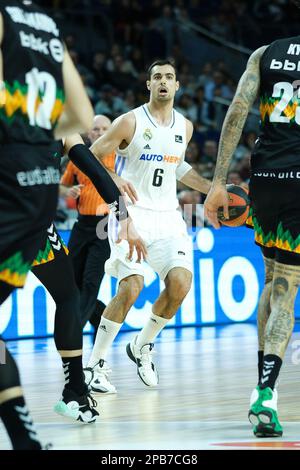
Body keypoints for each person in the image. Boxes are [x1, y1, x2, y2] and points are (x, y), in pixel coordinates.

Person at [83, 59, 212, 393]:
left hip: (169, 217)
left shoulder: (185, 126)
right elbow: (92, 154)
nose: (163, 82)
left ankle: (141, 346)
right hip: (132, 215)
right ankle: (94, 364)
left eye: (169, 76)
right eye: (157, 77)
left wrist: (211, 189)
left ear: (177, 85)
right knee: (132, 287)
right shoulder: (130, 121)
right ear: (149, 84)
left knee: (181, 284)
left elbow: (178, 168)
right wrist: (114, 177)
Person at [0, 0, 94, 450]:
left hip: (4, 178)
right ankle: (26, 440)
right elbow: (79, 115)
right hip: (37, 193)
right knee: (68, 294)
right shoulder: (48, 28)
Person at [204, 0, 300, 438]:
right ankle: (266, 392)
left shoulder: (265, 54)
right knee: (288, 287)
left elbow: (236, 114)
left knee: (272, 279)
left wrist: (219, 181)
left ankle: (261, 387)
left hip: (265, 180)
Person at [60, 115, 115, 344]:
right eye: (95, 129)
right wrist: (67, 191)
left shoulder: (118, 157)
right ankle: (100, 317)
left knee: (91, 282)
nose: (100, 133)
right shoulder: (77, 158)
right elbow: (62, 185)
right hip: (82, 224)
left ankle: (74, 334)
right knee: (71, 282)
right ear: (88, 133)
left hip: (106, 225)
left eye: (105, 129)